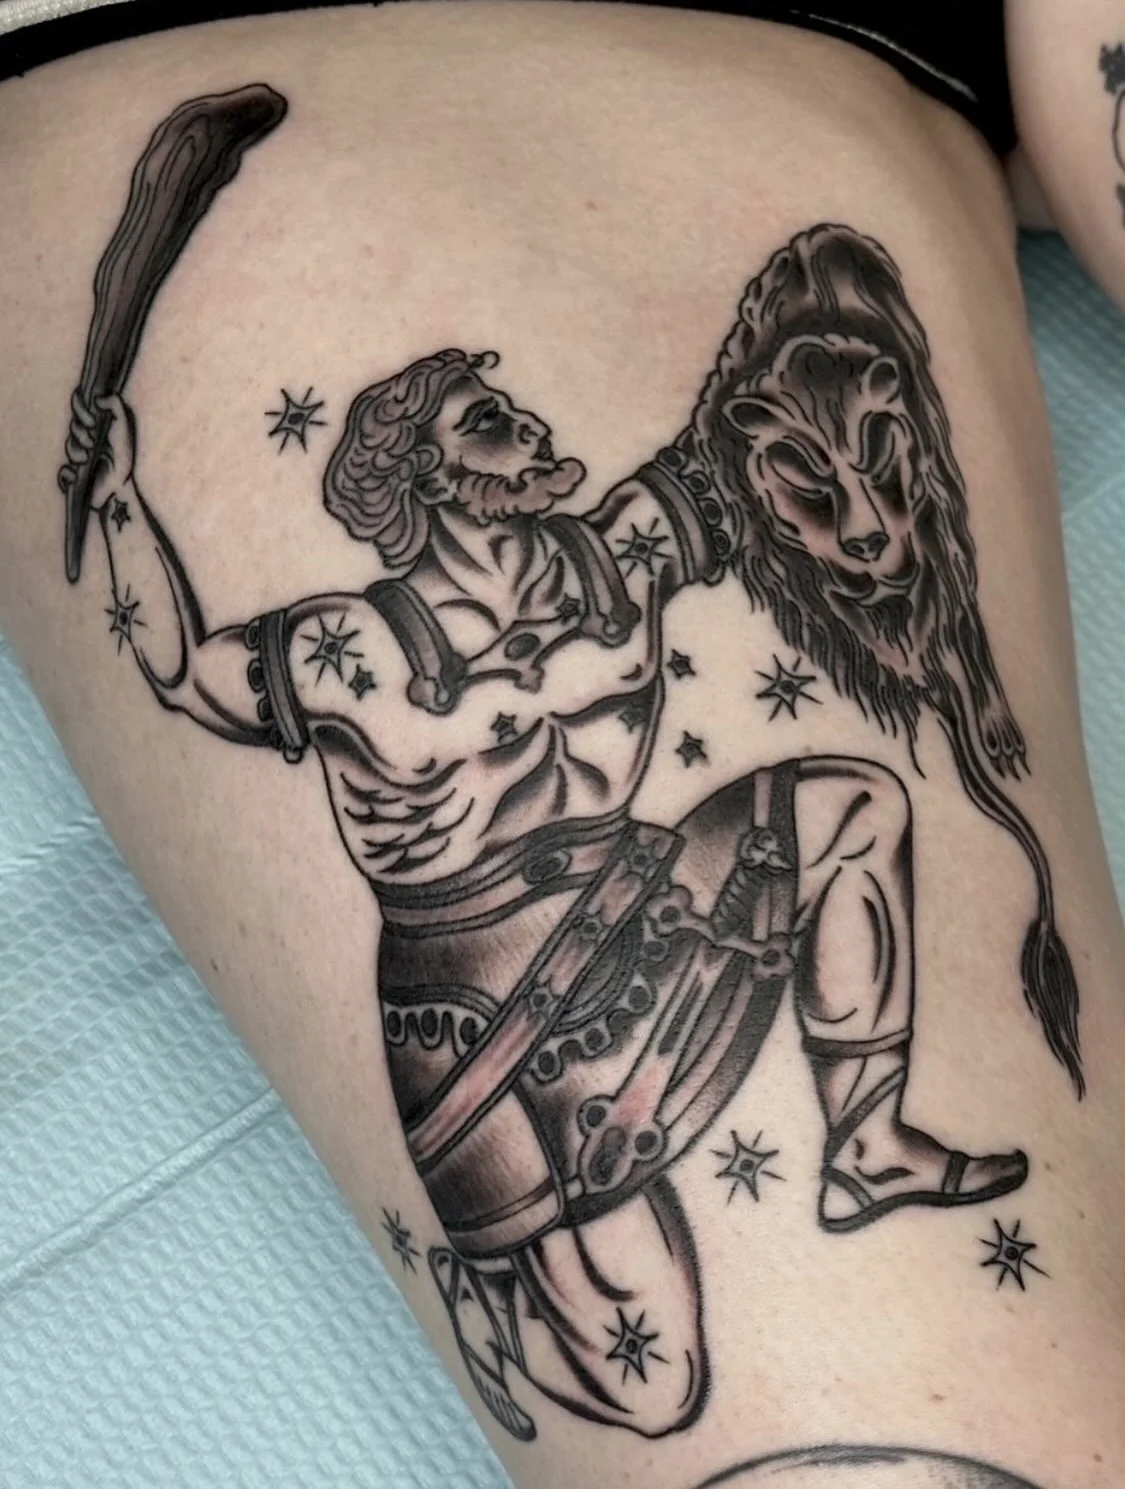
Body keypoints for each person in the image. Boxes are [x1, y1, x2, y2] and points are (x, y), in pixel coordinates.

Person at [1, 4, 1123, 1487]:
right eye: (490, 424)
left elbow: (737, 438)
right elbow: (190, 670)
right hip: (479, 1006)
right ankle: (507, 1284)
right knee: (684, 1396)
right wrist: (125, 508)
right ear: (426, 474)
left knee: (847, 807)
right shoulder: (351, 648)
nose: (528, 430)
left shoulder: (617, 553)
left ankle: (864, 1138)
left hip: (642, 896)